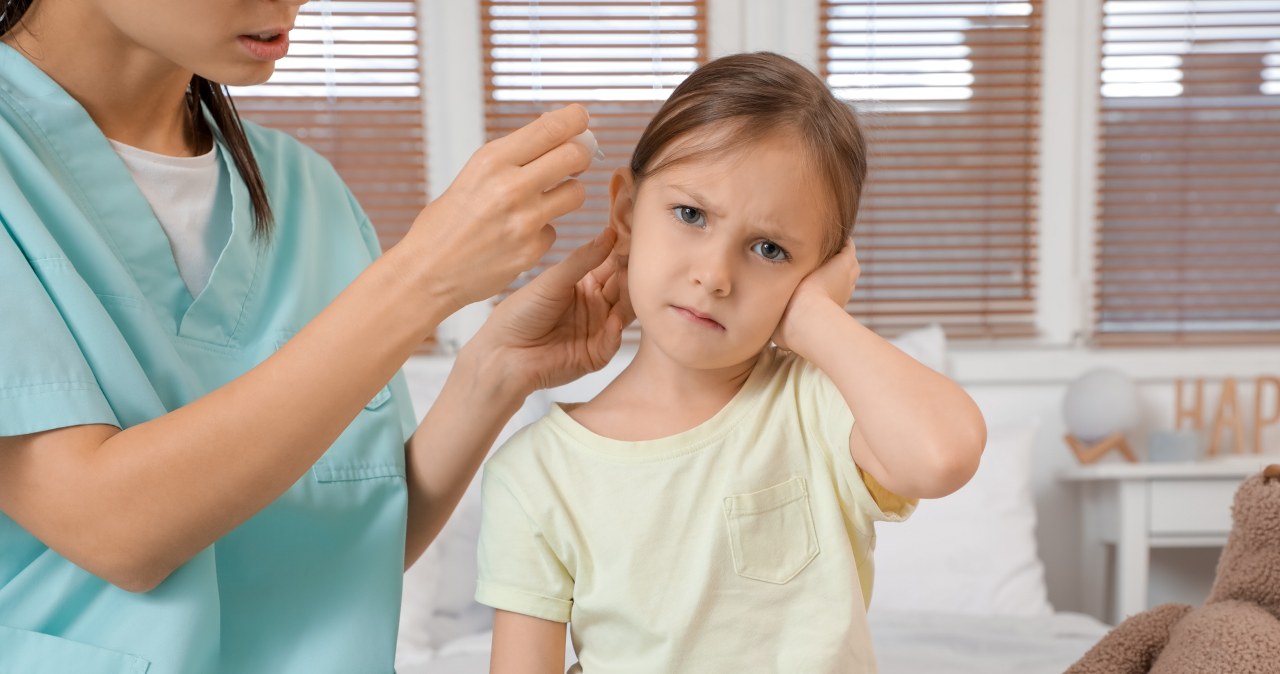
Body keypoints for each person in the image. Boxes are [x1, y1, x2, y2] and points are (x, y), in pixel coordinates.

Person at [0, 1, 630, 672]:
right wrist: (422, 280)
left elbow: (351, 538)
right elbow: (116, 530)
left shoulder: (304, 189)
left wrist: (497, 368)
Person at [475, 52, 989, 673]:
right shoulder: (537, 475)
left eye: (769, 249)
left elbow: (942, 455)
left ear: (816, 276)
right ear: (626, 214)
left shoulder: (817, 408)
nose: (715, 275)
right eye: (690, 215)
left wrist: (814, 319)